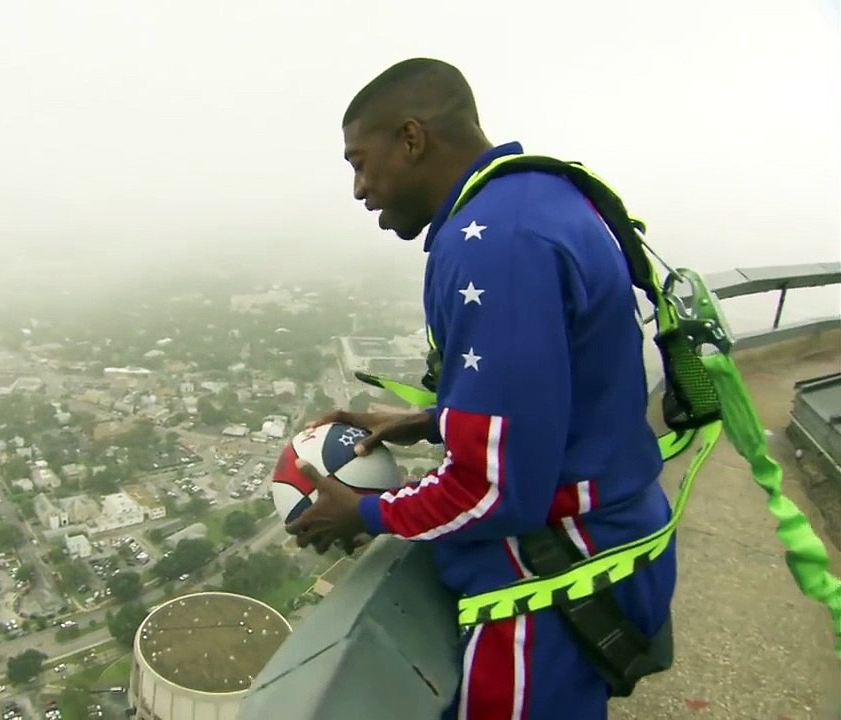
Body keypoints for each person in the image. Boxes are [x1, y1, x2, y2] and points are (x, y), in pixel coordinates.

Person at [285, 58, 677, 720]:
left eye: (361, 162)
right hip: (608, 550)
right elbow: (561, 399)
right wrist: (435, 421)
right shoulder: (538, 200)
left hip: (551, 586)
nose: (358, 188)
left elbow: (495, 488)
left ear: (411, 139)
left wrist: (365, 513)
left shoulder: (493, 244)